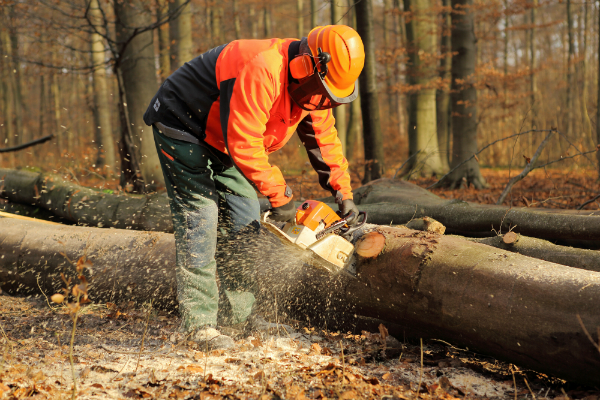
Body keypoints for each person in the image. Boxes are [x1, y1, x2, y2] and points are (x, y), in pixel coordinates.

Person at [143, 25, 365, 349]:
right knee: (201, 220)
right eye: (322, 92)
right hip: (183, 126)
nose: (322, 101)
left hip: (224, 140)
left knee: (245, 220)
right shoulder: (263, 67)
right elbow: (244, 143)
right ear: (305, 66)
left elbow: (324, 140)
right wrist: (280, 195)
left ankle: (238, 319)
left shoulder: (312, 91)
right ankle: (199, 326)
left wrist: (343, 193)